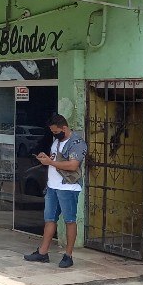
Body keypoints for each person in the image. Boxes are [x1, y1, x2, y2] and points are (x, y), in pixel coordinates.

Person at [24, 113, 87, 268]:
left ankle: (68, 255)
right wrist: (46, 158)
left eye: (56, 131)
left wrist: (50, 162)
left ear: (64, 128)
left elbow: (73, 165)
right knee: (49, 219)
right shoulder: (57, 141)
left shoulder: (77, 143)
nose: (54, 134)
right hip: (53, 187)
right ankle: (43, 252)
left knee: (69, 220)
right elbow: (54, 160)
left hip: (68, 187)